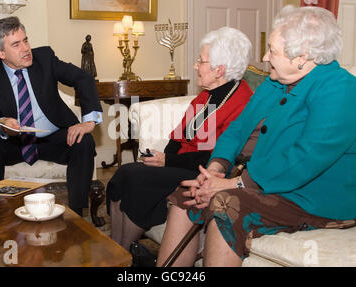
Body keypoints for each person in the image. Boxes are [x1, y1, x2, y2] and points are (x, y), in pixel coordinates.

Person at [157, 5, 356, 267]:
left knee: (227, 204)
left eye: (272, 49)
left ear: (301, 58)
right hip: (273, 188)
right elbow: (237, 129)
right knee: (188, 192)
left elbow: (304, 160)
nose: (264, 56)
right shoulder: (274, 83)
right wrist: (216, 169)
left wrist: (232, 184)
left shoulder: (341, 90)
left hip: (318, 199)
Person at [106, 27, 254, 252]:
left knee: (136, 177)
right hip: (180, 164)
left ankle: (123, 251)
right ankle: (117, 248)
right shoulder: (206, 94)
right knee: (126, 172)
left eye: (200, 61)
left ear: (219, 69)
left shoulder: (242, 101)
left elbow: (217, 154)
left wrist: (167, 162)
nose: (195, 65)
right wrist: (162, 158)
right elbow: (179, 135)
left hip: (207, 171)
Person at [0, 16, 102, 216]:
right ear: (0, 52)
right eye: (16, 44)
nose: (25, 48)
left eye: (26, 40)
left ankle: (77, 214)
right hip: (14, 143)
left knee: (83, 140)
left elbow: (82, 78)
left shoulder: (44, 58)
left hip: (53, 138)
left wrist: (89, 121)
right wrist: (3, 125)